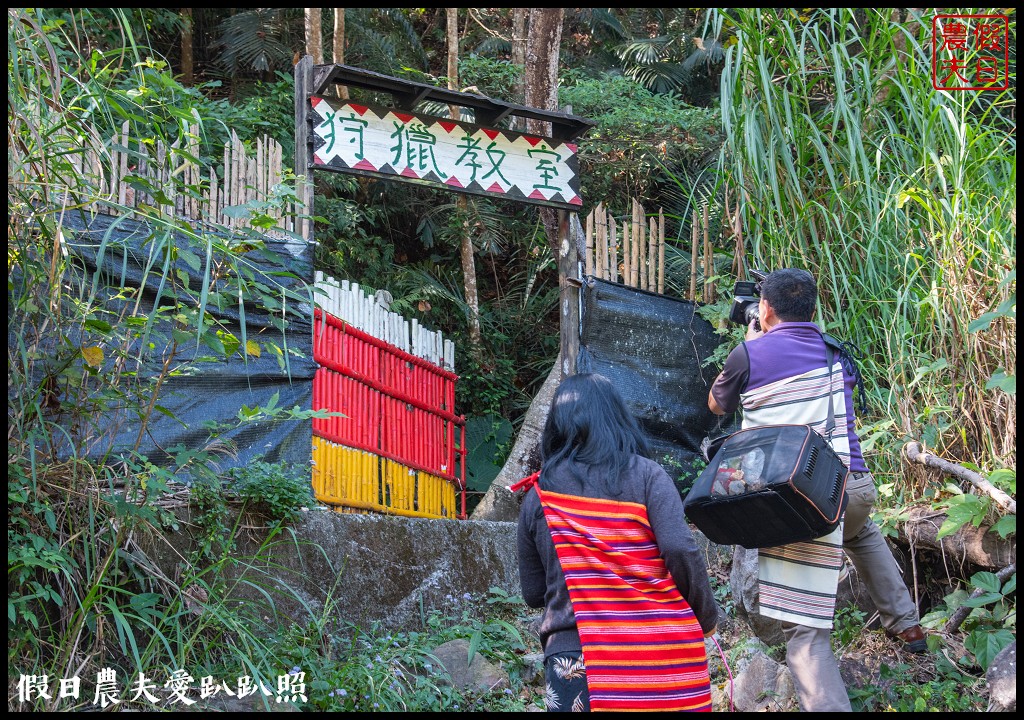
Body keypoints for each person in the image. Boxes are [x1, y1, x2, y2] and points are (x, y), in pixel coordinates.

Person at [707, 268, 927, 713]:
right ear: (813, 310)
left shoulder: (748, 355)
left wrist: (750, 347)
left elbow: (716, 405)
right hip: (854, 491)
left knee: (804, 636)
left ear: (764, 309)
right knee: (860, 532)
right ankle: (907, 624)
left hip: (803, 506)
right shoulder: (834, 353)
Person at [515, 372, 719, 712]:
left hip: (576, 660)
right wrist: (707, 617)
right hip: (663, 656)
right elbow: (680, 549)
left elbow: (534, 593)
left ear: (557, 426)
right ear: (617, 419)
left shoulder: (538, 497)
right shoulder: (648, 476)